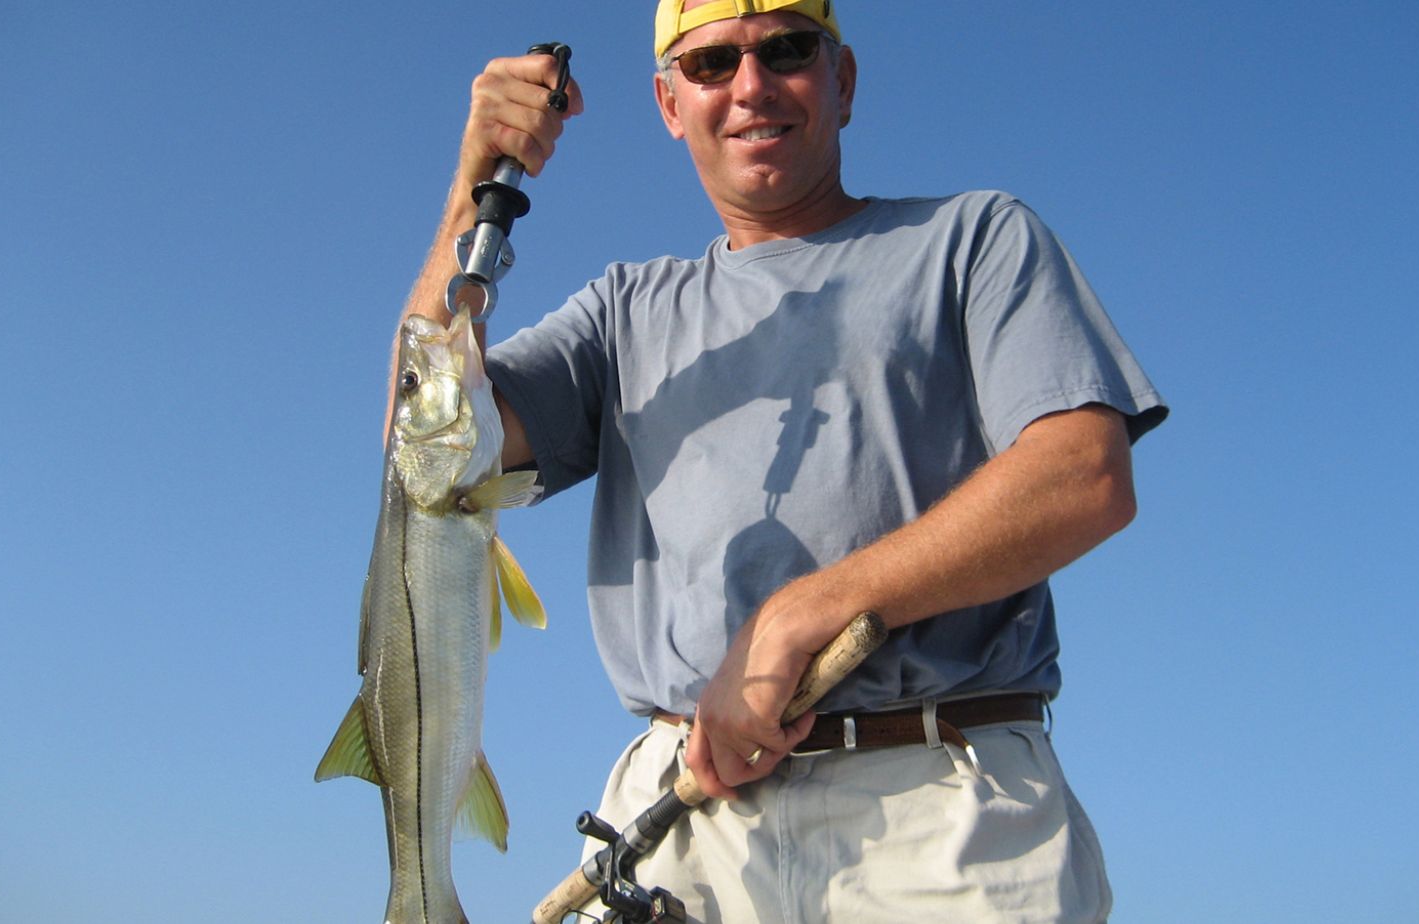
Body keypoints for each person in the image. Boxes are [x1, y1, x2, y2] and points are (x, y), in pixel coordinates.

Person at [398, 1, 1167, 920]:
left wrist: (801, 615)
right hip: (682, 818)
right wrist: (472, 185)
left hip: (943, 803)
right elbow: (426, 447)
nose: (751, 86)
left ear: (842, 81)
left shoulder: (975, 241)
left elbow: (1085, 472)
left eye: (788, 51)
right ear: (668, 103)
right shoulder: (622, 313)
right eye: (712, 63)